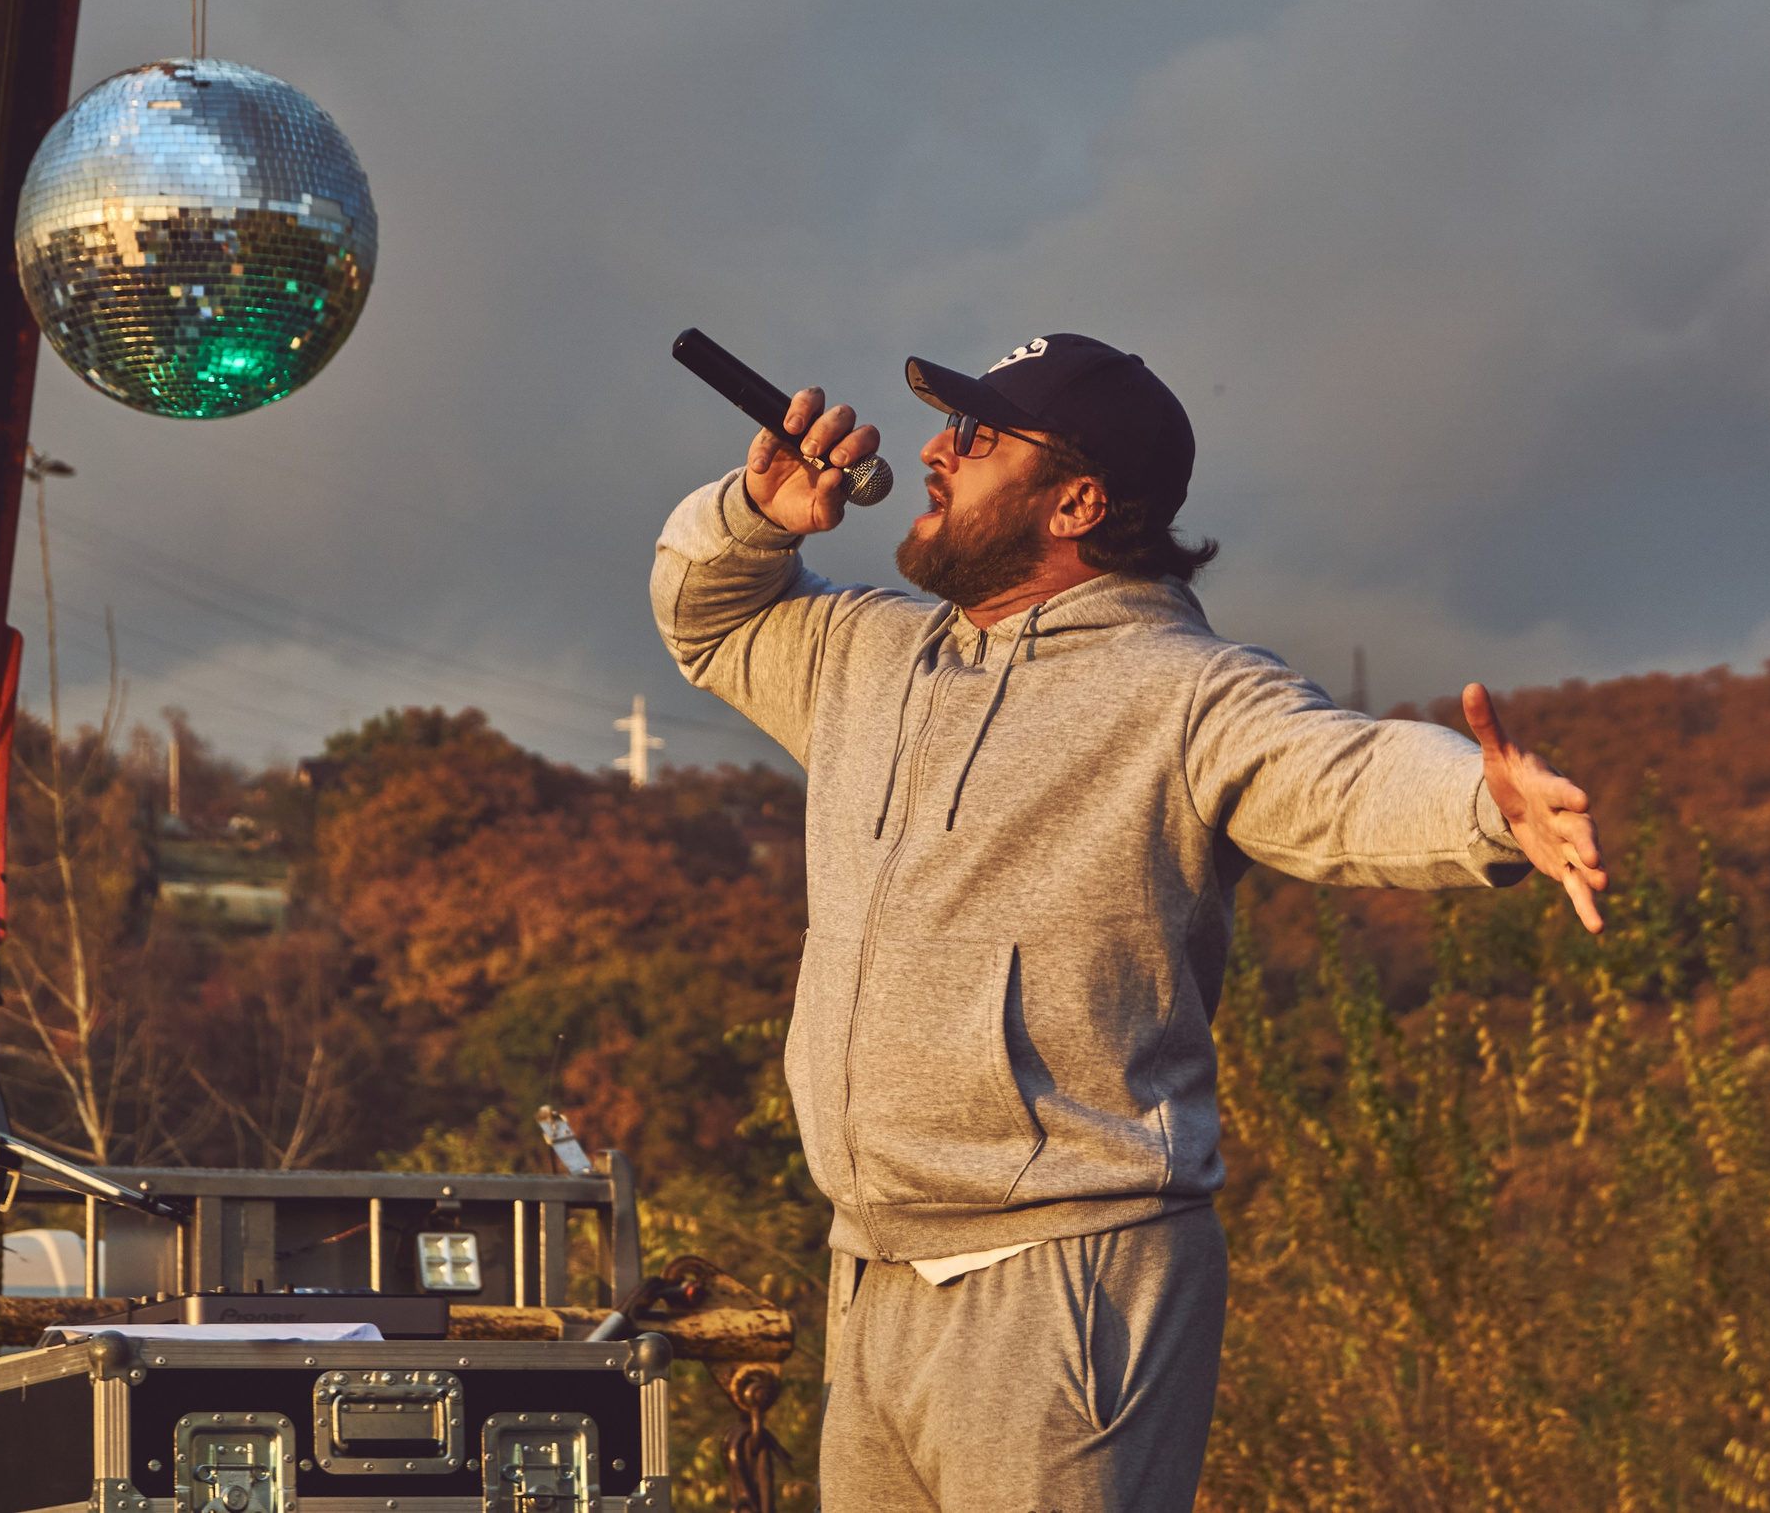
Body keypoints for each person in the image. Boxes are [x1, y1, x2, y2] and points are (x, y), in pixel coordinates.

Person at [651, 333, 1606, 1511]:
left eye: (977, 435)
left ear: (1078, 502)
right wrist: (757, 516)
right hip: (872, 1272)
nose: (936, 452)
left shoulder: (1186, 690)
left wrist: (1487, 806)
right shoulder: (867, 656)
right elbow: (707, 622)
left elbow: (1338, 770)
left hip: (1067, 1281)